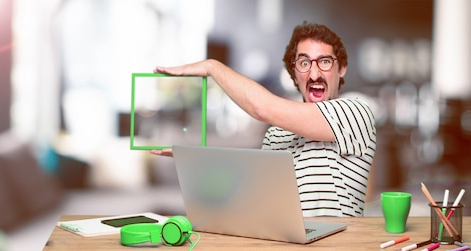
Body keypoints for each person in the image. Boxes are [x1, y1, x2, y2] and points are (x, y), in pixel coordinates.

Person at [152, 22, 376, 217]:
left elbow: (262, 108)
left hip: (339, 249)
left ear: (342, 69)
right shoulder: (276, 133)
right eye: (304, 63)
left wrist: (212, 67)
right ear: (294, 73)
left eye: (325, 62)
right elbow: (259, 200)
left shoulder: (356, 112)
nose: (314, 74)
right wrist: (197, 160)